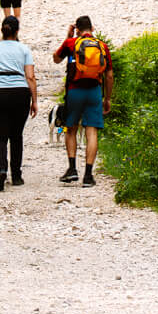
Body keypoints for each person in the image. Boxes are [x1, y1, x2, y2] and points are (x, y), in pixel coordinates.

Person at [0, 16, 36, 191]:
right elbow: (30, 77)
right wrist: (34, 100)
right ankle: (17, 175)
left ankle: (1, 169)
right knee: (16, 135)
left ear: (2, 31)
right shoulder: (24, 49)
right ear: (17, 31)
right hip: (20, 92)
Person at [58, 15, 112, 188]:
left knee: (71, 129)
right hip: (95, 91)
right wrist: (107, 98)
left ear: (78, 30)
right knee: (92, 132)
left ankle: (72, 169)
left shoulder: (71, 43)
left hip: (75, 91)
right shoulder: (102, 46)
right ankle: (88, 175)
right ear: (92, 28)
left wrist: (68, 36)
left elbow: (56, 58)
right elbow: (109, 74)